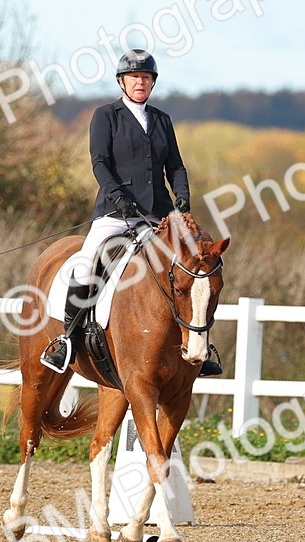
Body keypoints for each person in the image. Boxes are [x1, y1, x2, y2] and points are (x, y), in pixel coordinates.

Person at [40, 49, 222, 377]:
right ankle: (66, 340)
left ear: (152, 83)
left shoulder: (162, 120)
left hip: (160, 217)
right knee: (86, 264)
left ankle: (200, 345)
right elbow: (100, 163)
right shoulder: (106, 116)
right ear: (122, 82)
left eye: (147, 78)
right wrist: (118, 198)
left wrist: (182, 197)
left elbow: (175, 166)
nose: (141, 82)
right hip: (115, 213)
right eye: (135, 77)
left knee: (197, 268)